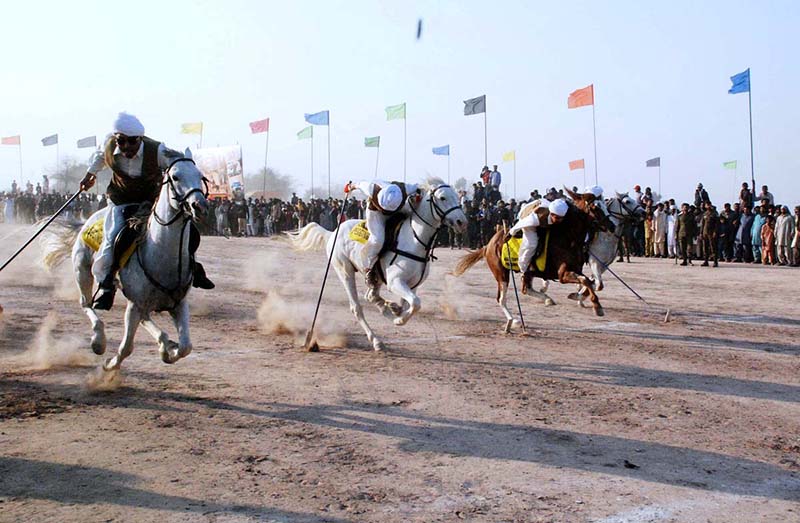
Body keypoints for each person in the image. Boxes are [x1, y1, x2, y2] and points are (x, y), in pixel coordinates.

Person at [79, 112, 214, 310]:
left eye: (132, 142)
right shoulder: (109, 146)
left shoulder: (157, 151)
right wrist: (90, 175)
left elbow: (179, 165)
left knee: (189, 231)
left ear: (140, 139)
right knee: (113, 237)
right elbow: (100, 157)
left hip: (151, 200)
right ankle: (107, 284)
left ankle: (194, 268)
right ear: (116, 138)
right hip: (121, 201)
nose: (126, 147)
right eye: (121, 141)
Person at [344, 179, 420, 284]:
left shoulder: (406, 188)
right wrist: (349, 187)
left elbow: (419, 187)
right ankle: (368, 267)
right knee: (377, 240)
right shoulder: (371, 188)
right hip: (375, 213)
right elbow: (358, 184)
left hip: (399, 209)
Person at [508, 199, 569, 276]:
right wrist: (510, 233)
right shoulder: (536, 218)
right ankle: (523, 267)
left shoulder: (561, 213)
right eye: (557, 218)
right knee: (532, 243)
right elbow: (521, 224)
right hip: (526, 216)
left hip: (542, 212)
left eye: (561, 218)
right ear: (551, 214)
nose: (559, 220)